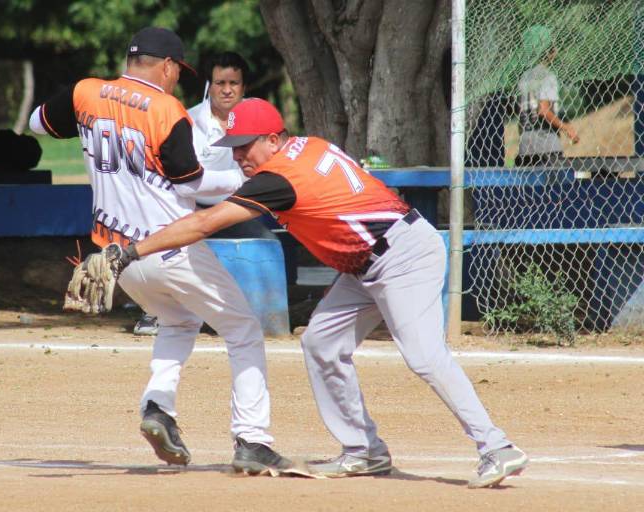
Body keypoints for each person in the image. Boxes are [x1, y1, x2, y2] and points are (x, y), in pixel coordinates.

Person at [112, 98, 529, 488]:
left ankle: (496, 446)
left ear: (274, 140)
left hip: (403, 256)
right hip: (364, 263)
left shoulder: (278, 178)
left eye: (245, 147)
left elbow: (204, 224)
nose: (239, 156)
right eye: (233, 148)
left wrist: (131, 251)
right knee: (321, 343)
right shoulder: (308, 146)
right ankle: (363, 450)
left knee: (424, 355)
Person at [28, 27, 290, 475]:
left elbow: (37, 123)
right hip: (170, 248)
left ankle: (158, 408)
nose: (176, 80)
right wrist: (246, 182)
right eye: (177, 71)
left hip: (117, 257)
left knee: (178, 320)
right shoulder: (167, 109)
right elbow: (194, 185)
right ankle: (253, 440)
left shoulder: (84, 92)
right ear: (167, 66)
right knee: (243, 329)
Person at [133, 51, 274, 336]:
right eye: (220, 82)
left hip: (235, 209)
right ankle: (153, 312)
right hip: (190, 209)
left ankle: (272, 311)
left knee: (268, 243)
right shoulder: (189, 120)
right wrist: (236, 179)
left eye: (234, 83)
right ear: (209, 86)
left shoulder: (256, 115)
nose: (227, 90)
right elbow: (187, 181)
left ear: (244, 88)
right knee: (168, 251)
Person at [516, 25, 579, 167]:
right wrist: (566, 128)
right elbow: (543, 110)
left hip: (526, 142)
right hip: (546, 142)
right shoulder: (547, 76)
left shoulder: (525, 76)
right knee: (554, 185)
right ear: (549, 51)